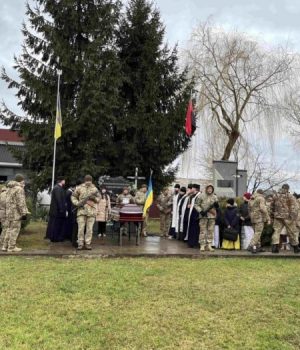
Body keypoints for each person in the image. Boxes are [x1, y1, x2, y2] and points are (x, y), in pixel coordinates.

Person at [2, 174, 30, 252]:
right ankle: (11, 247)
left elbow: (6, 201)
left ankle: (5, 246)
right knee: (15, 230)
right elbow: (21, 202)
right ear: (21, 180)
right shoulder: (19, 189)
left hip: (9, 212)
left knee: (9, 229)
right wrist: (24, 213)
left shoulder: (9, 188)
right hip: (16, 213)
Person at [71, 175, 99, 250]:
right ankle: (80, 243)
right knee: (80, 229)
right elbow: (73, 196)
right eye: (87, 180)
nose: (88, 182)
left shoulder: (95, 189)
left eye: (89, 180)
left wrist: (94, 199)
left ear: (91, 181)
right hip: (81, 211)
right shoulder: (79, 188)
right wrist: (77, 203)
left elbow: (99, 198)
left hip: (91, 212)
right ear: (85, 180)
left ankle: (88, 243)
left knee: (89, 229)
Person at [270, 184, 300, 254]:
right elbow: (295, 207)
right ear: (288, 189)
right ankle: (296, 247)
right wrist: (293, 217)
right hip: (288, 217)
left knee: (276, 231)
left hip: (277, 217)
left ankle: (275, 247)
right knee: (292, 232)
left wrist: (272, 216)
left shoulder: (275, 196)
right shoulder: (290, 196)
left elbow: (271, 207)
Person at [195, 184, 218, 252]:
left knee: (210, 231)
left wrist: (217, 205)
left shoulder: (215, 197)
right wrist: (200, 211)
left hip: (212, 216)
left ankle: (209, 245)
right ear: (206, 189)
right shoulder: (201, 196)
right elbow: (196, 205)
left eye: (211, 188)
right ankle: (202, 245)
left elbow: (217, 206)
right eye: (208, 188)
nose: (210, 190)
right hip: (203, 216)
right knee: (202, 231)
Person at [247, 189, 270, 253]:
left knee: (256, 233)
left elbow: (249, 209)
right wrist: (268, 218)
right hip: (259, 218)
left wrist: (251, 216)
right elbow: (263, 208)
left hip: (253, 218)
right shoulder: (261, 198)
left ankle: (257, 247)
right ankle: (251, 245)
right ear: (262, 193)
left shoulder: (251, 199)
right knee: (258, 232)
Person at [46, 176, 67, 242]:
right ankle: (55, 238)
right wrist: (61, 209)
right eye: (64, 180)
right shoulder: (58, 188)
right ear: (62, 181)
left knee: (56, 224)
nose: (65, 182)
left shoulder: (58, 188)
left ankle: (56, 237)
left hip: (57, 211)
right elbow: (59, 199)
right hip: (57, 211)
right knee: (56, 225)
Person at [185, 184, 201, 248]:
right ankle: (191, 243)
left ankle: (195, 243)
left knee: (195, 230)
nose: (191, 189)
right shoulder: (193, 196)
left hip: (196, 214)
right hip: (192, 213)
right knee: (192, 229)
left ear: (195, 189)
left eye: (193, 188)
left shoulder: (199, 195)